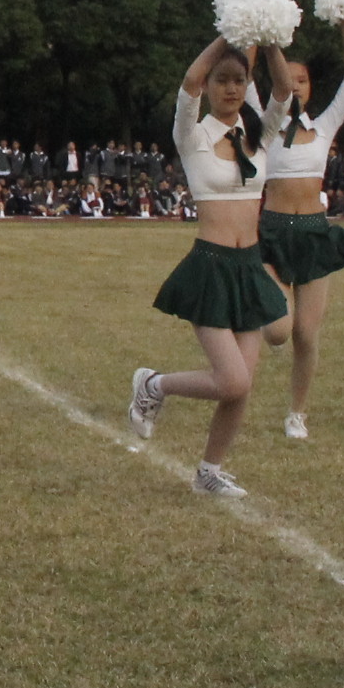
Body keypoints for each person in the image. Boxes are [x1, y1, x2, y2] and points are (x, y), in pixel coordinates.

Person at [128, 32, 286, 494]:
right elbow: (190, 81)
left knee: (243, 386)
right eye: (223, 81)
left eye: (239, 81)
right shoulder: (193, 134)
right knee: (231, 379)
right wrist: (228, 34)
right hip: (210, 267)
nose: (231, 89)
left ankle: (209, 472)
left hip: (249, 267)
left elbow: (282, 90)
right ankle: (154, 385)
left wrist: (270, 35)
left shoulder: (260, 134)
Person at [255, 21, 344, 441]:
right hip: (272, 234)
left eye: (302, 80)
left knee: (306, 333)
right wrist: (265, 41)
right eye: (290, 80)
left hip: (314, 233)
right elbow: (254, 79)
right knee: (279, 331)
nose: (296, 86)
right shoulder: (263, 127)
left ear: (311, 87)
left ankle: (296, 414)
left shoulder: (324, 127)